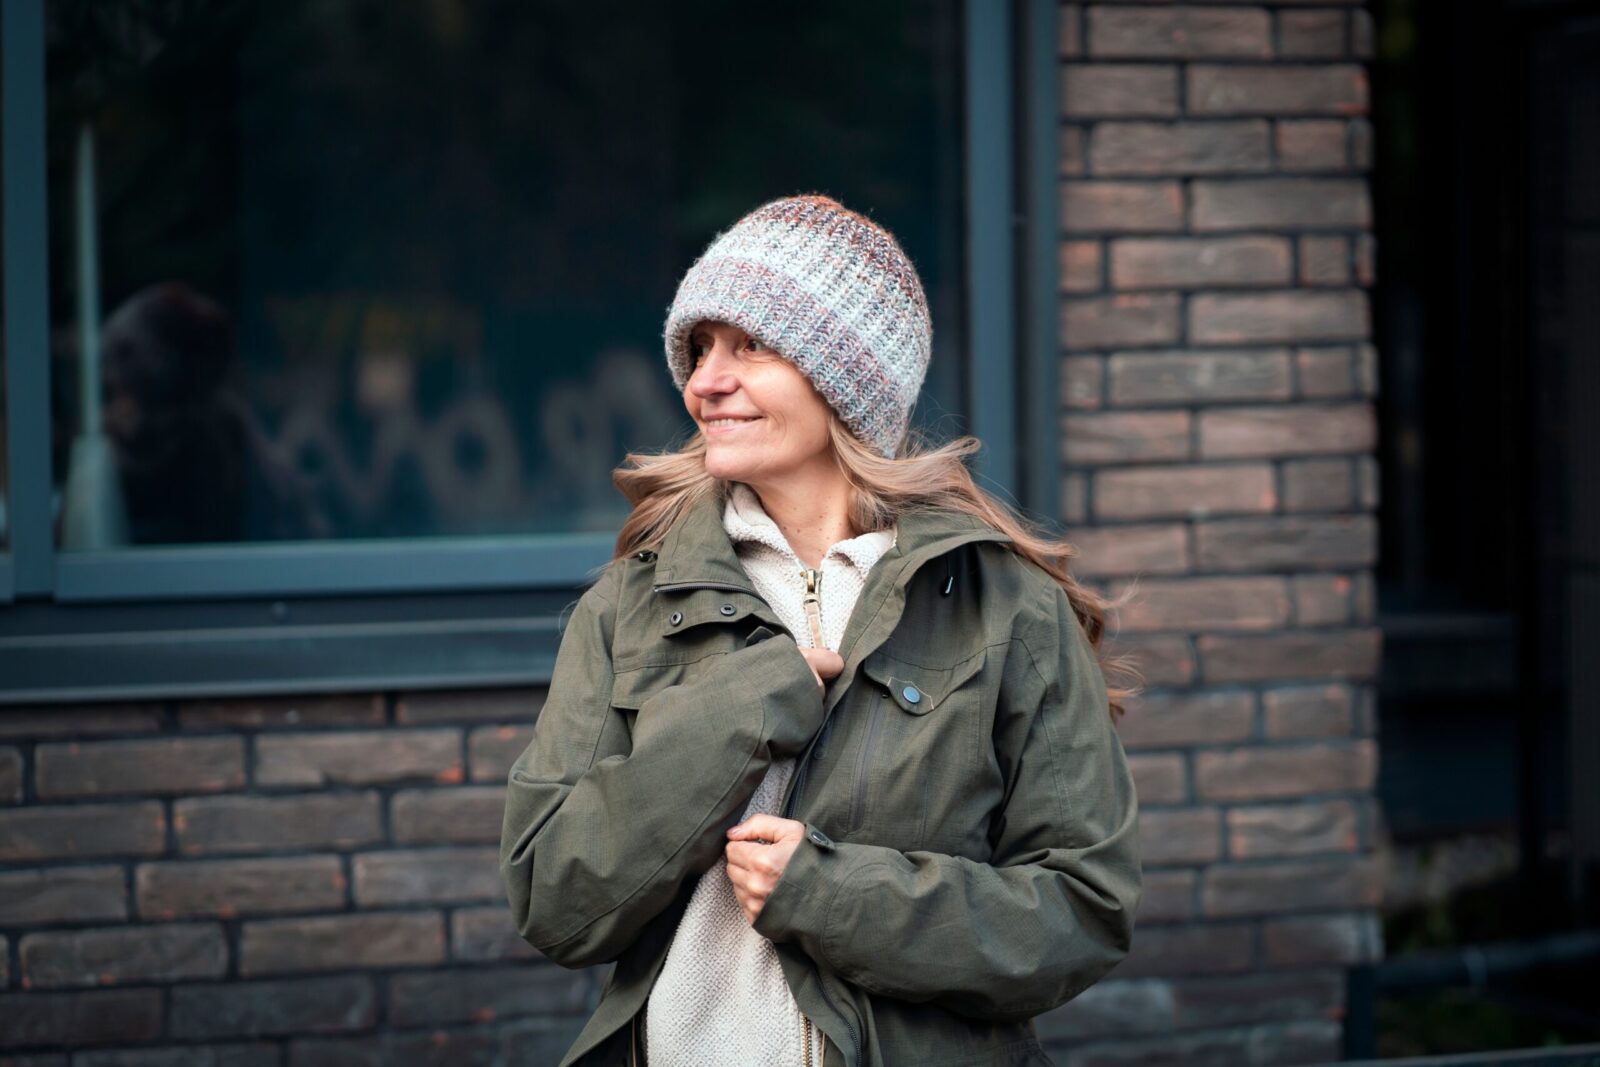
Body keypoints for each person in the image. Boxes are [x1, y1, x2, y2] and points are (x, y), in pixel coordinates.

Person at [500, 194, 1141, 1067]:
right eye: (700, 348)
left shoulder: (1004, 605)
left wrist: (831, 894)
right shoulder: (631, 604)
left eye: (750, 346)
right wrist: (744, 709)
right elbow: (553, 900)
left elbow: (1083, 910)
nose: (704, 382)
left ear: (845, 377)